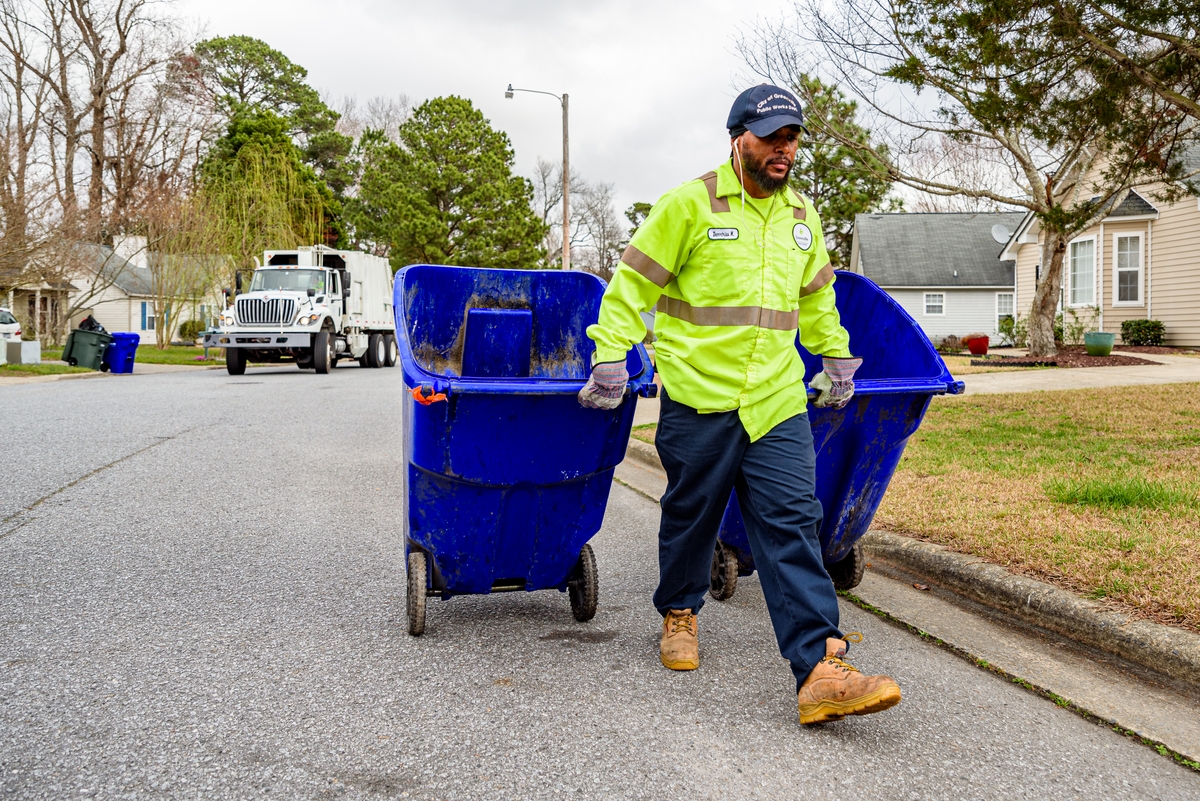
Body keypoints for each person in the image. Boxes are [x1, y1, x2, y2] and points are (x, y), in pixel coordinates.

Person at [578, 84, 901, 725]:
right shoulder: (688, 206)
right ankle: (679, 611)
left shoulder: (801, 219)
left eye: (792, 139)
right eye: (772, 137)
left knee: (792, 520)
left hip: (775, 397)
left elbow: (816, 300)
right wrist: (609, 355)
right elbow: (630, 287)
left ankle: (821, 666)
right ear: (739, 139)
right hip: (699, 395)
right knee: (692, 514)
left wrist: (835, 357)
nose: (784, 150)